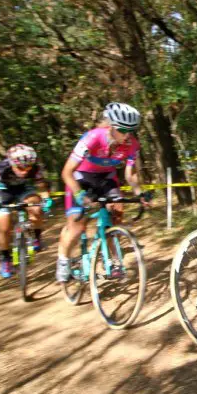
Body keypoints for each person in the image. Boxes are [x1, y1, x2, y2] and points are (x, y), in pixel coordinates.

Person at [55, 102, 150, 283]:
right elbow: (66, 172)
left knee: (116, 213)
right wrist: (78, 195)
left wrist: (140, 193)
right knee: (77, 227)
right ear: (111, 126)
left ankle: (114, 261)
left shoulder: (132, 145)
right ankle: (63, 260)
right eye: (122, 130)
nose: (127, 135)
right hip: (80, 178)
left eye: (132, 130)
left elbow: (131, 175)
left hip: (106, 178)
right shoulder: (92, 138)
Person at [0, 145, 52, 278]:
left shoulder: (35, 169)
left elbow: (41, 186)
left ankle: (37, 238)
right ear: (12, 163)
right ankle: (6, 259)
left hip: (23, 189)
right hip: (2, 190)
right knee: (3, 225)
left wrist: (46, 198)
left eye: (28, 167)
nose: (25, 171)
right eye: (21, 168)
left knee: (36, 206)